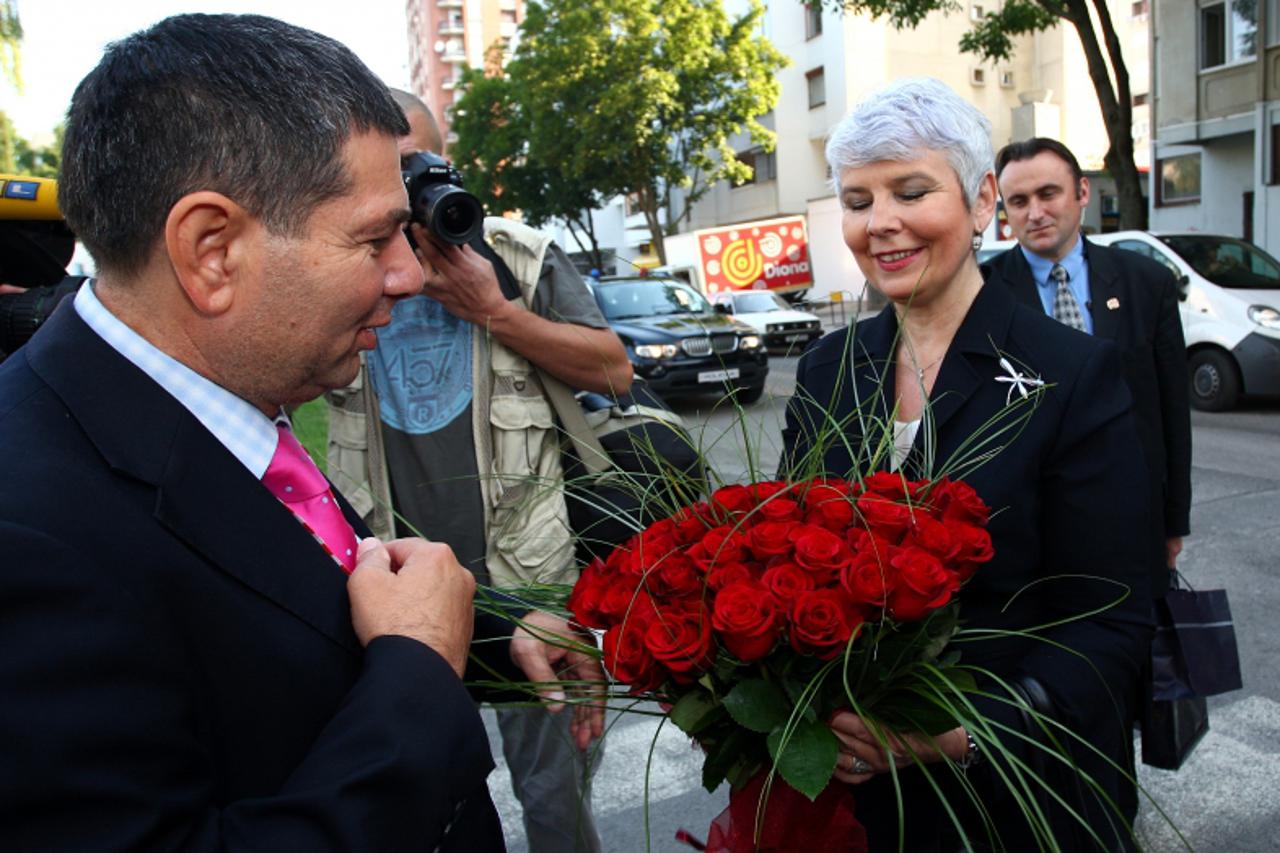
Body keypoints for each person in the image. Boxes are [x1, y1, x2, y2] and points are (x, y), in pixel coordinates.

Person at [0, 14, 603, 851]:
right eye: (374, 237)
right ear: (212, 251)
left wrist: (496, 633)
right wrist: (420, 668)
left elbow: (295, 609)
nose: (407, 272)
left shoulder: (221, 395)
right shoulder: (25, 533)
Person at [780, 78, 1153, 851]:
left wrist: (959, 735)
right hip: (857, 806)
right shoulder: (824, 371)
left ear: (983, 201)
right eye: (857, 201)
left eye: (911, 191)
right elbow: (786, 557)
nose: (881, 223)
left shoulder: (1073, 375)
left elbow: (1112, 623)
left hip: (1019, 793)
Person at [326, 90, 630, 853]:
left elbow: (615, 372)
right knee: (425, 800)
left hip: (530, 580)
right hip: (395, 594)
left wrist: (493, 308)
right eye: (391, 177)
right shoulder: (332, 267)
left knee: (554, 799)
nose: (412, 195)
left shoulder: (517, 254)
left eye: (424, 167)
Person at [987, 137, 1192, 600]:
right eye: (1018, 201)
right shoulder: (984, 293)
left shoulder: (1146, 282)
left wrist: (1173, 521)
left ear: (1081, 192)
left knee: (1138, 654)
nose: (1034, 212)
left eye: (1047, 194)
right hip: (1030, 526)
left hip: (1133, 515)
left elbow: (1171, 412)